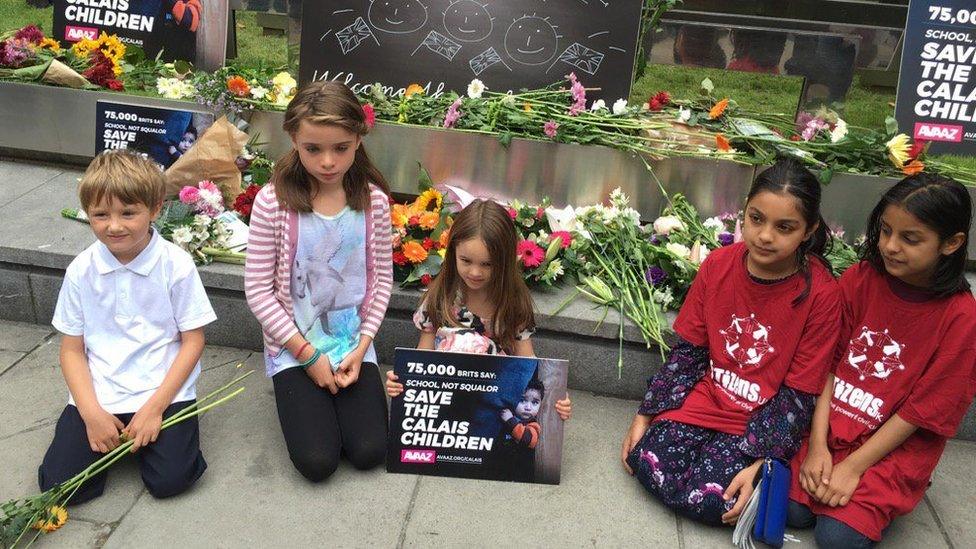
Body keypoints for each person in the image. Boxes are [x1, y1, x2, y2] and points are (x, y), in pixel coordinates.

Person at [620, 157, 841, 526]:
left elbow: (800, 391)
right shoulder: (718, 265)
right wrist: (643, 416)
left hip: (759, 419)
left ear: (809, 230)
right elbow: (689, 352)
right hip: (709, 397)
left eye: (784, 227)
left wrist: (762, 464)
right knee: (648, 462)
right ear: (744, 212)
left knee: (714, 501)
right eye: (756, 219)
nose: (765, 235)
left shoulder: (821, 294)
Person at [788, 173, 976, 548]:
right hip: (832, 423)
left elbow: (922, 411)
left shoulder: (962, 318)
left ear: (952, 243)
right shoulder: (861, 278)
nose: (889, 246)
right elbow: (826, 363)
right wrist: (819, 447)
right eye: (885, 230)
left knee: (836, 538)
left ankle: (907, 485)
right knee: (793, 511)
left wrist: (853, 467)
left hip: (893, 445)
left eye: (910, 238)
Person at [39, 149, 216, 503]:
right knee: (59, 487)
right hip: (102, 389)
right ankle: (111, 435)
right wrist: (90, 412)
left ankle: (156, 437)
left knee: (171, 481)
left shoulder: (175, 265)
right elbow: (72, 350)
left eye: (128, 213)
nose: (114, 225)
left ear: (154, 210)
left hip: (161, 388)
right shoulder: (81, 270)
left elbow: (193, 341)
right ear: (87, 213)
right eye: (100, 214)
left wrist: (154, 409)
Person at [244, 81, 393, 482]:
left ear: (358, 140)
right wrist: (308, 356)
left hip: (352, 345)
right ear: (293, 138)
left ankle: (345, 397)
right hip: (295, 347)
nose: (328, 161)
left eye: (340, 148)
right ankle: (301, 397)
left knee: (370, 451)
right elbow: (258, 290)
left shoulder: (373, 201)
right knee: (317, 461)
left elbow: (380, 282)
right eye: (313, 149)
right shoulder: (272, 201)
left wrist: (362, 348)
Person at [385, 199, 571, 421]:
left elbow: (528, 362)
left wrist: (553, 395)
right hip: (445, 398)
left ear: (505, 262)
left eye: (487, 264)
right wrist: (403, 381)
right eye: (466, 260)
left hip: (494, 399)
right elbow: (423, 359)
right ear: (452, 251)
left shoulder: (513, 303)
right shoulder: (441, 297)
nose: (475, 272)